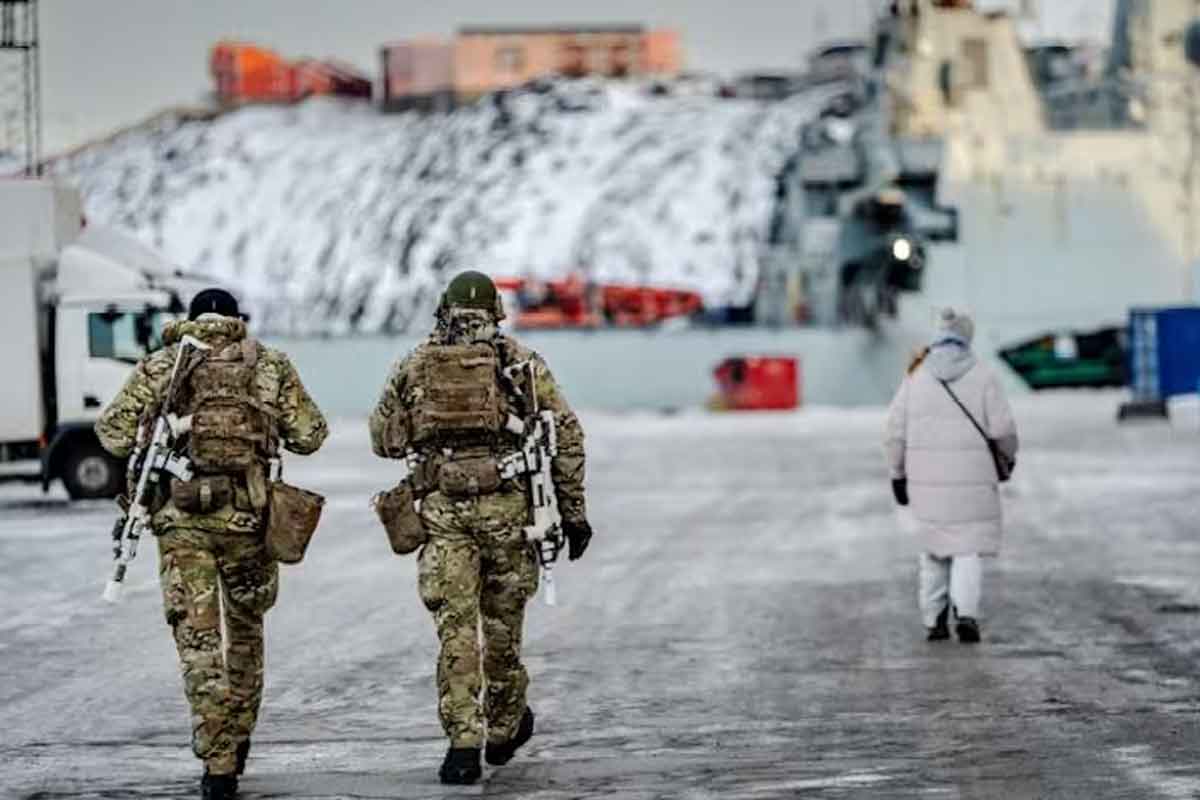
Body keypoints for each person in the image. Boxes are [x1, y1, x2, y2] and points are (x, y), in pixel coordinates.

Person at [96, 288, 328, 800]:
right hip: (247, 520)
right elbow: (312, 434)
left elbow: (112, 434)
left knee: (198, 643)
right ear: (237, 320)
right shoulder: (268, 364)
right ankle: (239, 737)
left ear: (191, 319)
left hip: (182, 527)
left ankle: (218, 762)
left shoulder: (163, 364)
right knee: (245, 631)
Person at [369, 271, 592, 785]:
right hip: (506, 512)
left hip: (443, 513)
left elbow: (383, 439)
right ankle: (505, 726)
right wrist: (573, 512)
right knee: (501, 627)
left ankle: (462, 746)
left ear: (443, 310)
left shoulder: (415, 362)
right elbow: (565, 435)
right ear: (495, 311)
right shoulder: (520, 364)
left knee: (456, 629)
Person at [884, 308, 1017, 643]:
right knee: (967, 549)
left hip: (925, 482)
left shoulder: (915, 377)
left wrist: (897, 473)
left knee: (933, 549)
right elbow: (1003, 430)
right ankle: (966, 614)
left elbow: (894, 433)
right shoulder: (984, 375)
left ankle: (934, 620)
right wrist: (1007, 459)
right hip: (974, 480)